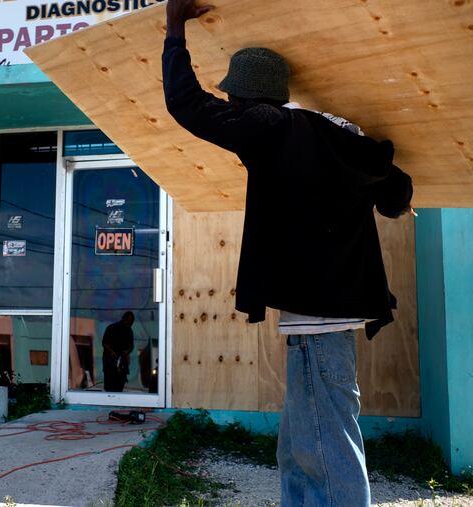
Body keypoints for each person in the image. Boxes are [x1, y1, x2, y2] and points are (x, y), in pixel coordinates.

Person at [162, 2, 413, 505]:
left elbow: (187, 106)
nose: (229, 103)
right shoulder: (341, 134)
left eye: (233, 95)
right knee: (299, 447)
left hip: (316, 323)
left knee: (327, 442)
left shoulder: (269, 126)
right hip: (329, 317)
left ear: (250, 97)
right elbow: (396, 197)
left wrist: (174, 28)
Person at [101, 311, 135, 392]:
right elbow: (104, 343)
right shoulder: (111, 328)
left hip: (122, 364)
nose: (130, 324)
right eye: (129, 321)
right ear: (124, 319)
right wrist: (112, 352)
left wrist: (126, 353)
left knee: (119, 387)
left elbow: (131, 346)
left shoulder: (129, 331)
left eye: (131, 322)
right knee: (109, 388)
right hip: (109, 362)